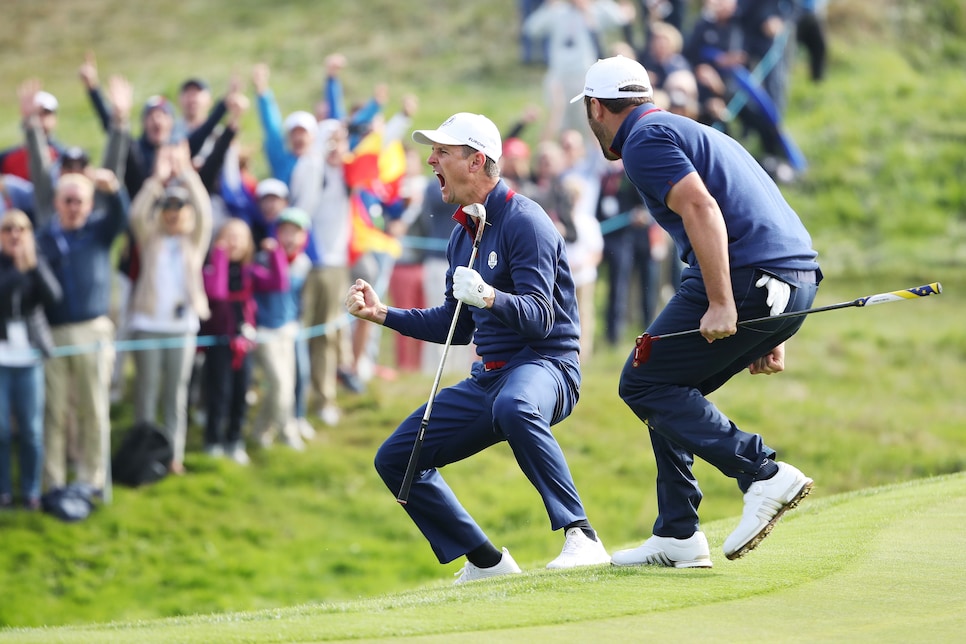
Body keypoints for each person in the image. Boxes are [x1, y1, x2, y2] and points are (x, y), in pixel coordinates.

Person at [573, 55, 820, 566]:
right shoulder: (687, 127)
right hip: (791, 278)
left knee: (642, 382)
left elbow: (703, 208)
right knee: (665, 385)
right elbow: (758, 209)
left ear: (596, 108)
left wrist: (726, 303)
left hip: (754, 278)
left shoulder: (641, 141)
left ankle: (763, 474)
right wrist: (772, 328)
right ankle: (678, 533)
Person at [346, 112, 610, 583]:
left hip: (548, 365)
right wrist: (383, 314)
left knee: (515, 405)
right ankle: (487, 563)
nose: (431, 160)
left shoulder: (525, 221)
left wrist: (489, 295)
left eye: (442, 152)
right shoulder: (460, 234)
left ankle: (582, 535)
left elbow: (541, 317)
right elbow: (455, 325)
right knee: (395, 459)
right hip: (489, 377)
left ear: (476, 162)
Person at [35, 169, 128, 495]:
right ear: (57, 202)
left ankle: (93, 479)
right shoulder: (42, 240)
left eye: (80, 201)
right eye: (68, 200)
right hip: (54, 333)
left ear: (89, 205)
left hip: (93, 330)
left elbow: (121, 218)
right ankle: (54, 481)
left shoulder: (98, 232)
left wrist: (113, 190)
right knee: (55, 412)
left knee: (94, 408)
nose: (74, 206)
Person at [127, 144, 212, 475]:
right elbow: (136, 214)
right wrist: (157, 180)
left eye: (179, 206)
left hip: (182, 328)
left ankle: (172, 456)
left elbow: (205, 212)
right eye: (168, 206)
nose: (173, 212)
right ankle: (143, 455)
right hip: (148, 323)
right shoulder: (150, 237)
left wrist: (188, 174)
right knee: (146, 391)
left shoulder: (194, 240)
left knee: (175, 395)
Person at [201, 218, 288, 465]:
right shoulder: (210, 268)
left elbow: (278, 283)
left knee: (241, 392)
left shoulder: (250, 271)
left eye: (240, 237)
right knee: (219, 392)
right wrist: (219, 255)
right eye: (229, 236)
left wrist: (276, 254)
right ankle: (213, 440)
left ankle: (234, 440)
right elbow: (217, 292)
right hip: (219, 342)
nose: (234, 242)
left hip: (244, 342)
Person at [0, 209, 61, 510]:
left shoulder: (35, 263)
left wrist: (31, 264)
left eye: (21, 230)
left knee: (31, 430)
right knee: (0, 429)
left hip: (29, 360)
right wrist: (12, 265)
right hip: (1, 361)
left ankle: (31, 491)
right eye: (8, 229)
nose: (15, 235)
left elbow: (53, 296)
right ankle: (4, 491)